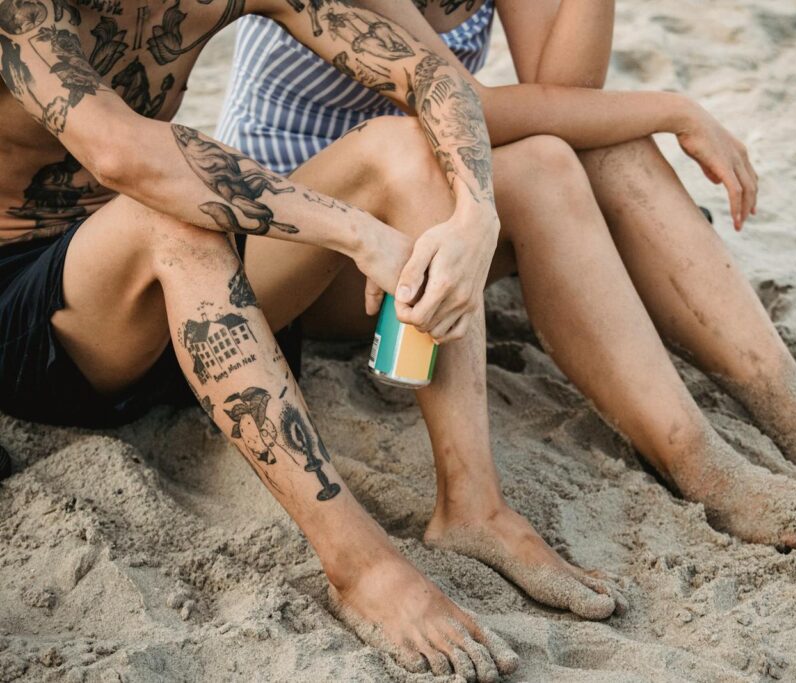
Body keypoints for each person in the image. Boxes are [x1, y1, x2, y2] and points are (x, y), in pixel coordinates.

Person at [0, 0, 696, 677]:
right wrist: (355, 232)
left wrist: (475, 215)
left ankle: (474, 504)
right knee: (171, 218)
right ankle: (361, 567)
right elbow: (126, 155)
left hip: (181, 308)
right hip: (39, 317)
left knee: (400, 145)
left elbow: (432, 76)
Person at [216, 0, 796, 608]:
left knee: (607, 148)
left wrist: (651, 113)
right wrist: (676, 107)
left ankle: (789, 410)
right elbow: (464, 102)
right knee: (548, 162)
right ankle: (702, 464)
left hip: (422, 212)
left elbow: (567, 91)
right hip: (297, 246)